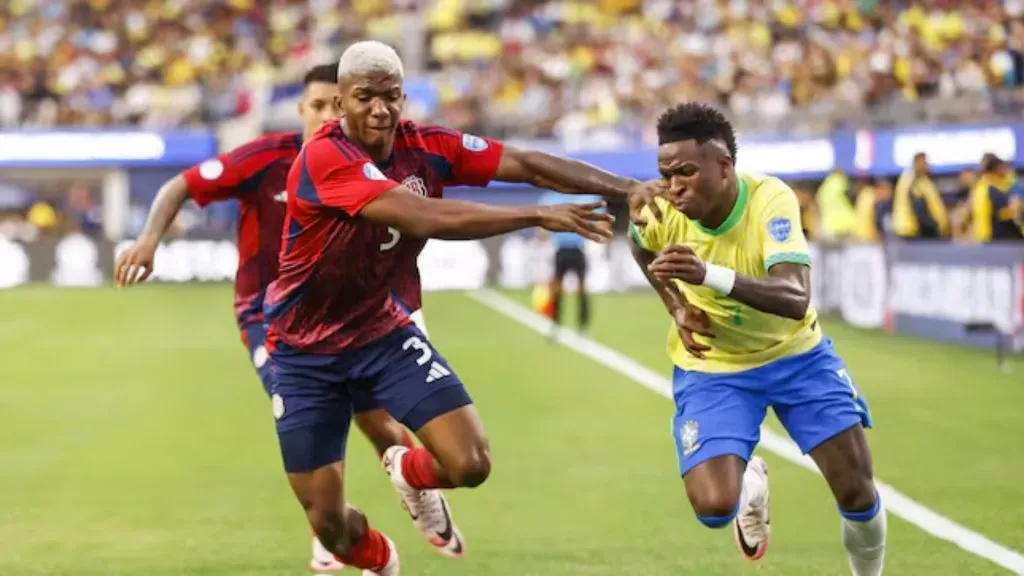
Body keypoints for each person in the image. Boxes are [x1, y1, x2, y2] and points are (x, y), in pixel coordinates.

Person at [266, 40, 659, 575]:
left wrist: (626, 187)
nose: (380, 109)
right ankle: (379, 560)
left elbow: (524, 163)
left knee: (470, 463)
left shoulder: (427, 145)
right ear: (339, 103)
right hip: (303, 352)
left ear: (404, 98)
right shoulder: (325, 157)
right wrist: (537, 218)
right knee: (330, 525)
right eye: (365, 97)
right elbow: (423, 217)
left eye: (391, 97)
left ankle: (409, 472)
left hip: (380, 333)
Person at [113, 64, 419, 573]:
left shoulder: (364, 162)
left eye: (334, 106)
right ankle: (329, 529)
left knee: (378, 419)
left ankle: (417, 487)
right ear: (301, 110)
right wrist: (147, 241)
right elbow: (180, 185)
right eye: (316, 106)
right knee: (303, 395)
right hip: (267, 315)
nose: (326, 115)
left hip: (343, 317)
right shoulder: (266, 158)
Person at [628, 103, 885, 575]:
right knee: (712, 507)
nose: (674, 184)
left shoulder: (770, 199)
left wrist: (707, 275)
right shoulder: (661, 206)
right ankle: (750, 481)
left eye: (686, 171)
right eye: (665, 173)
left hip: (797, 357)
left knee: (857, 491)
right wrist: (677, 305)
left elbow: (795, 297)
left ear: (724, 167)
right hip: (714, 366)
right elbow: (638, 243)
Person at [538, 190, 603, 335]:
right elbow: (542, 227)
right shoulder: (552, 198)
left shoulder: (587, 198)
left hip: (579, 249)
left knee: (582, 289)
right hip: (560, 249)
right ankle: (555, 324)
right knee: (556, 289)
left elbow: (602, 221)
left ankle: (583, 326)